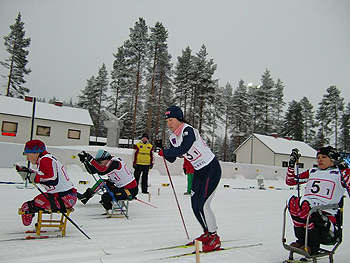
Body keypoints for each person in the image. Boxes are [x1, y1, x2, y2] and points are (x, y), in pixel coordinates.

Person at [158, 105, 222, 252]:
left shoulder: (188, 130)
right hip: (199, 171)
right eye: (167, 120)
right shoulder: (173, 137)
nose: (169, 123)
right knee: (195, 205)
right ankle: (207, 233)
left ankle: (215, 238)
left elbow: (184, 148)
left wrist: (166, 151)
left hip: (211, 168)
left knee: (204, 204)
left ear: (179, 118)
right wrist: (162, 151)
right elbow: (173, 159)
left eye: (171, 120)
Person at [285, 146, 350, 255]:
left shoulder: (339, 173)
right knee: (293, 203)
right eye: (318, 157)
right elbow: (291, 181)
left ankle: (312, 247)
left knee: (307, 210)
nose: (320, 159)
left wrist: (342, 164)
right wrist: (291, 165)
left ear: (332, 159)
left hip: (325, 213)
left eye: (324, 157)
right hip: (308, 207)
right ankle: (301, 241)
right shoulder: (313, 171)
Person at [16, 139, 77, 226]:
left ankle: (30, 223)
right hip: (65, 196)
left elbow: (53, 180)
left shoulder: (45, 160)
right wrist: (30, 173)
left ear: (36, 153)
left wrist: (33, 177)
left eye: (28, 155)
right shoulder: (45, 159)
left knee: (26, 207)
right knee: (33, 202)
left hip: (63, 198)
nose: (27, 158)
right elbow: (48, 176)